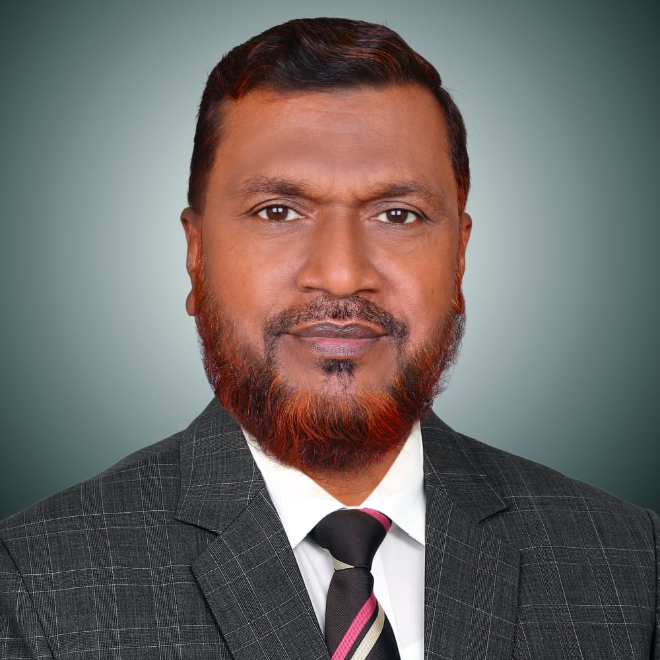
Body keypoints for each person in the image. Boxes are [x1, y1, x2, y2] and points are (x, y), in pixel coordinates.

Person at [0, 16, 657, 660]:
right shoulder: (33, 581)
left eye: (397, 214)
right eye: (278, 212)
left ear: (459, 258)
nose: (341, 274)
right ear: (196, 256)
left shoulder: (631, 562)